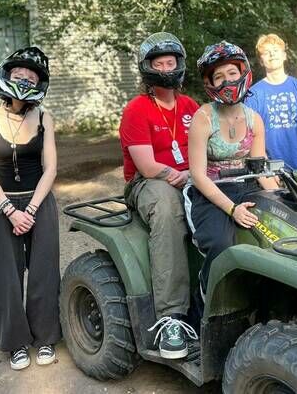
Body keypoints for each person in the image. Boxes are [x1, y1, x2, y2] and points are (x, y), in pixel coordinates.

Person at [0, 46, 61, 371]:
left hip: (39, 202)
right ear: (6, 76)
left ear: (40, 83)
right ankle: (15, 343)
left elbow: (50, 168)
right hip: (1, 206)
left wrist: (32, 209)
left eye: (31, 77)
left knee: (44, 272)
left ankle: (45, 338)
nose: (24, 80)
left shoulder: (44, 118)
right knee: (6, 277)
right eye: (18, 74)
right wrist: (11, 210)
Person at [118, 32, 199, 359]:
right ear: (147, 68)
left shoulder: (190, 106)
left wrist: (194, 175)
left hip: (191, 175)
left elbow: (208, 150)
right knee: (167, 207)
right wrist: (181, 176)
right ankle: (172, 317)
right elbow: (148, 166)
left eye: (170, 62)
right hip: (147, 183)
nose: (165, 69)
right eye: (159, 64)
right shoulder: (137, 109)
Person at [185, 41, 278, 307]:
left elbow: (259, 169)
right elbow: (198, 175)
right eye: (219, 76)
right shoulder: (203, 117)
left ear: (243, 73)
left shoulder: (254, 119)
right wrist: (232, 209)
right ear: (210, 83)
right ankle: (206, 303)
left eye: (232, 73)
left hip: (245, 186)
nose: (227, 80)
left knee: (274, 233)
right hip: (208, 192)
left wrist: (280, 196)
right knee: (221, 243)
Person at [245, 33, 297, 170]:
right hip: (269, 170)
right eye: (266, 52)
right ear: (261, 61)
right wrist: (265, 168)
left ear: (284, 55)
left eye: (275, 50)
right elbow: (250, 135)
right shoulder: (253, 95)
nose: (272, 54)